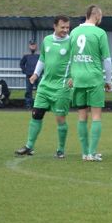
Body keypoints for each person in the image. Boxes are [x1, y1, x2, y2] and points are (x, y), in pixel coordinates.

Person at [15, 16, 73, 158]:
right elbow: (42, 59)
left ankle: (60, 150)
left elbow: (77, 61)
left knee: (60, 119)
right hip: (45, 86)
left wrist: (74, 77)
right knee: (36, 114)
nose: (65, 30)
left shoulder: (72, 42)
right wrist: (35, 74)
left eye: (67, 27)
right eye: (62, 27)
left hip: (62, 87)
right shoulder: (47, 40)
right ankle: (29, 146)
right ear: (55, 26)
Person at [68, 5, 112, 162]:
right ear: (97, 16)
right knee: (96, 116)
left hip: (78, 79)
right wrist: (108, 80)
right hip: (94, 79)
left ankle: (85, 152)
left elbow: (70, 57)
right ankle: (92, 153)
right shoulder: (100, 33)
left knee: (81, 116)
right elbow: (106, 59)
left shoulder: (73, 32)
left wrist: (71, 76)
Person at [19, 39, 40, 109]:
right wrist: (25, 71)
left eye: (34, 45)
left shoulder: (39, 54)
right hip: (29, 75)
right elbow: (21, 64)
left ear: (36, 45)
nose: (33, 46)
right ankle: (28, 105)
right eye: (31, 45)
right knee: (28, 91)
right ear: (29, 46)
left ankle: (38, 105)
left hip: (37, 76)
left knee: (39, 91)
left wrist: (40, 72)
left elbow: (43, 64)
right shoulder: (26, 55)